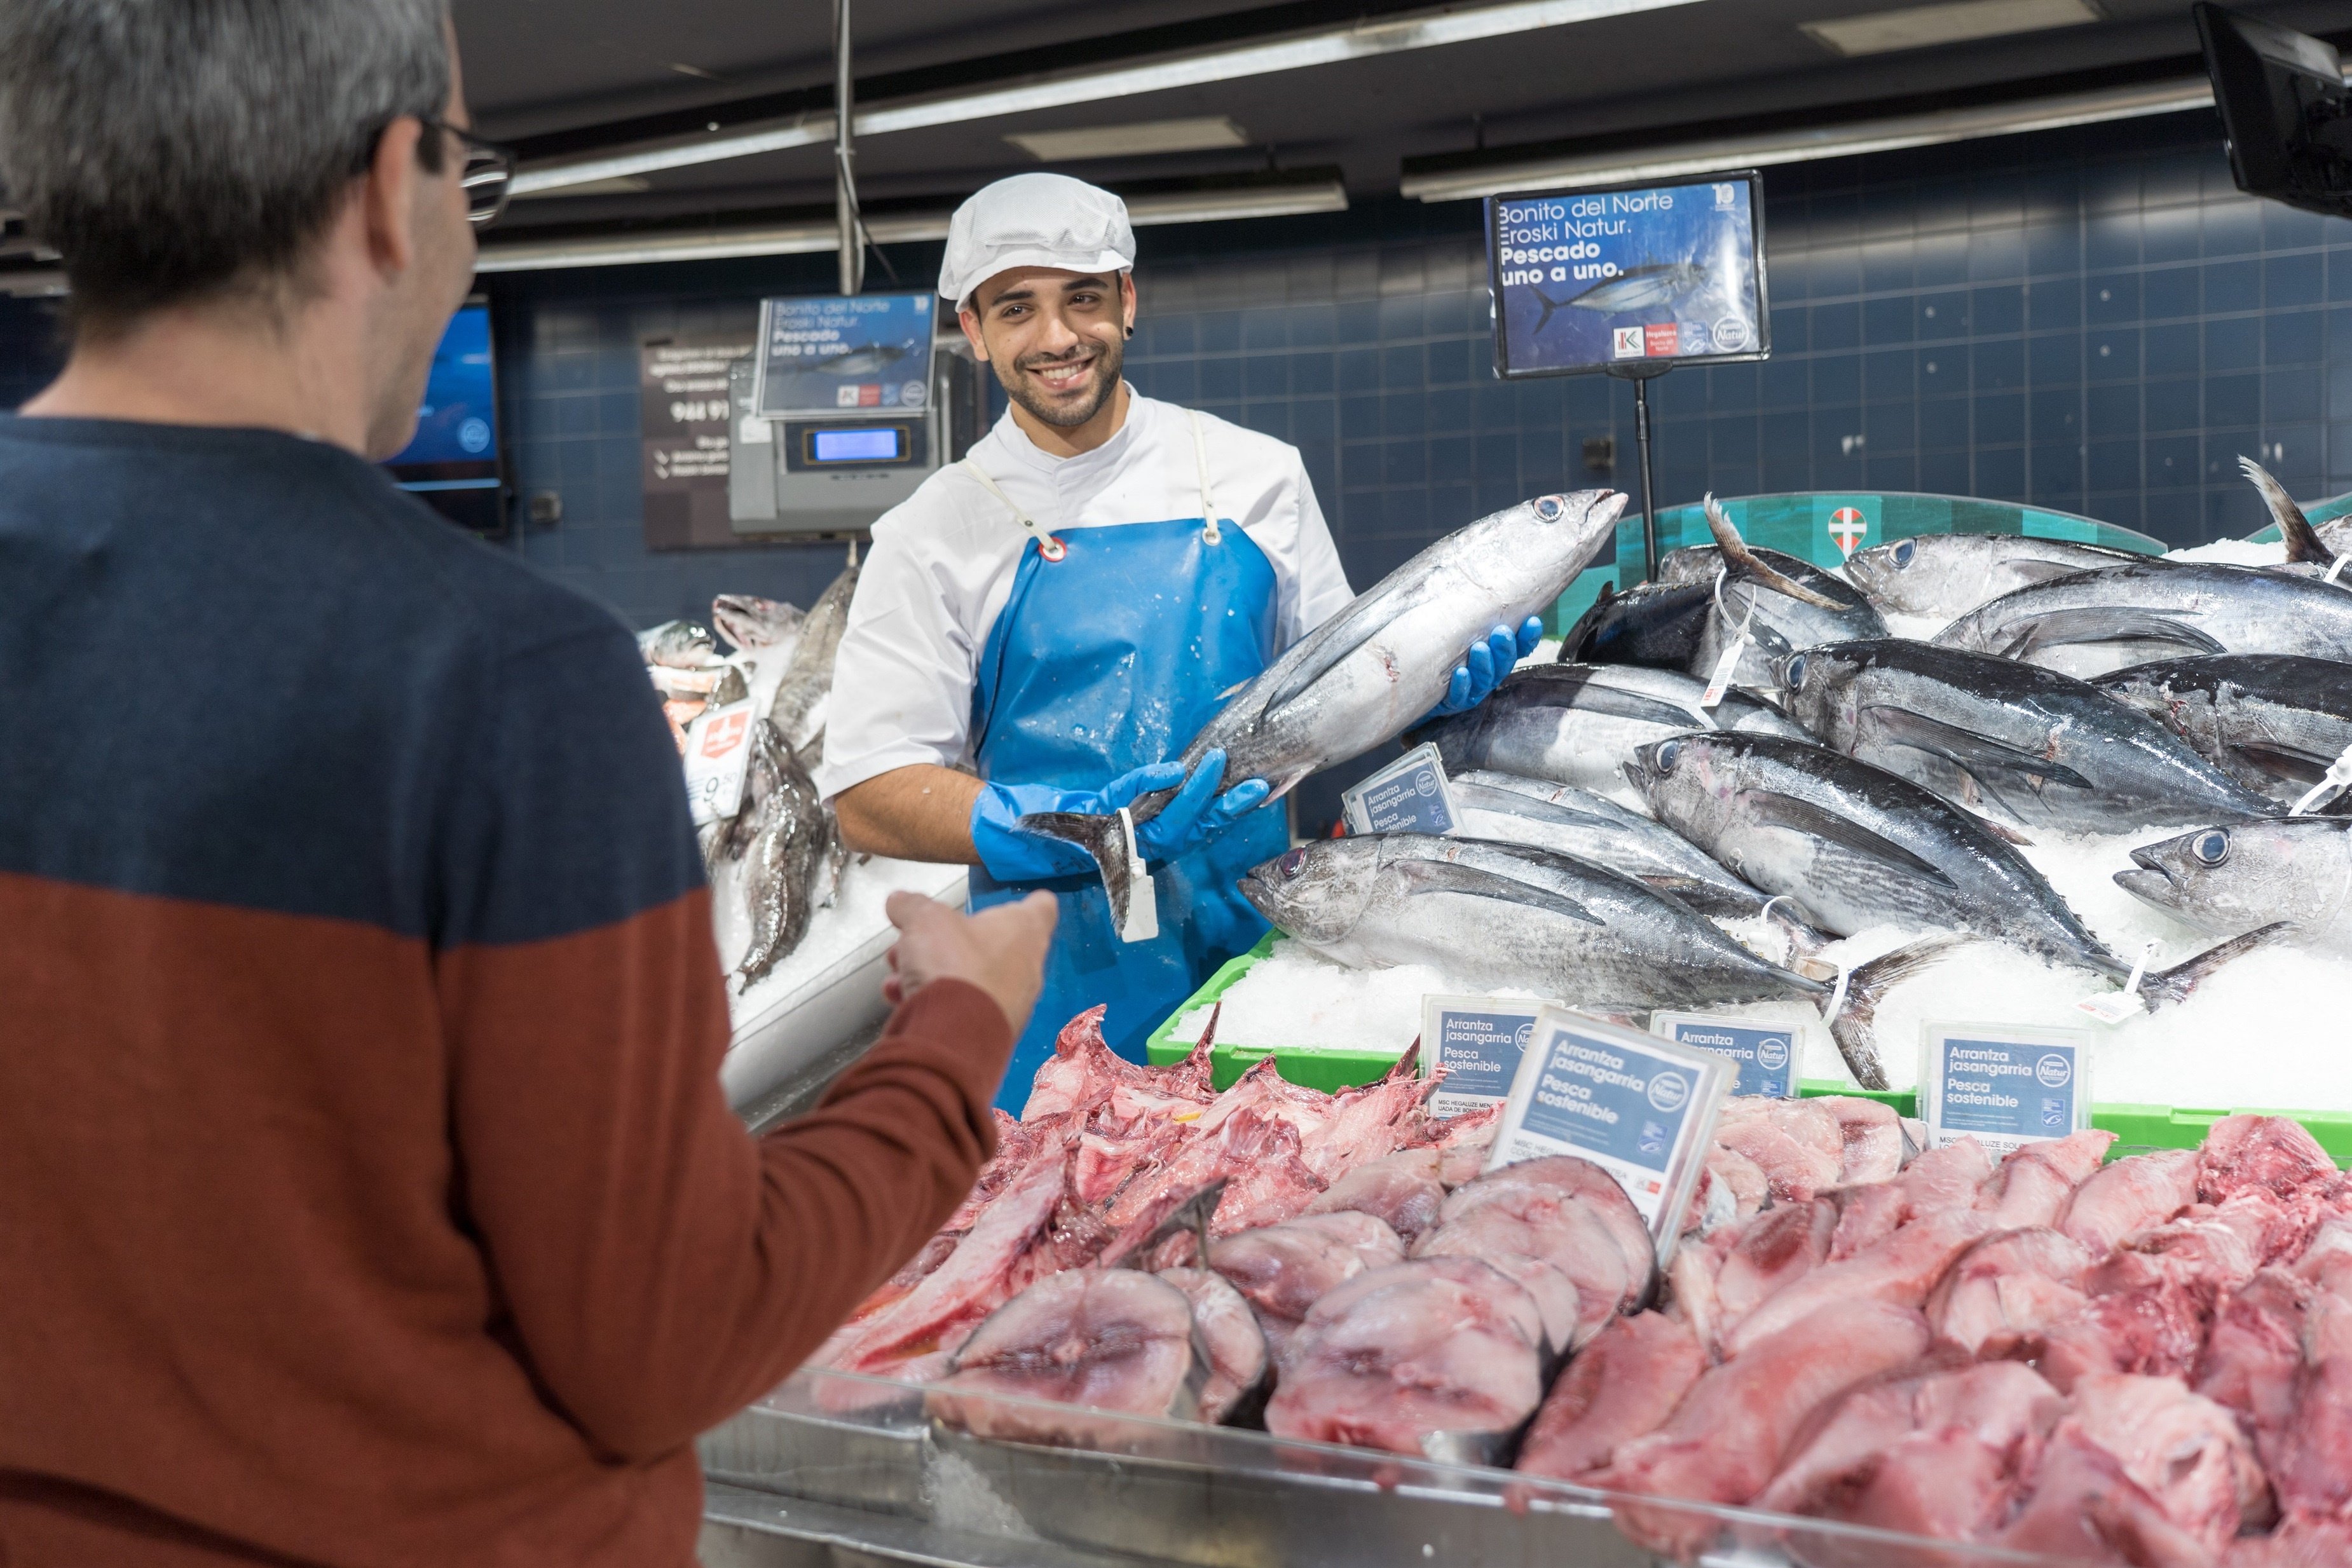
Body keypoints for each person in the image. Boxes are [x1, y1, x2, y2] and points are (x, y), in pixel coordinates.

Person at [0, 5, 1055, 1565]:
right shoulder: (500, 678)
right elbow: (666, 1342)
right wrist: (953, 1033)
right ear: (383, 188)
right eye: (465, 175)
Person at [822, 172, 1541, 1103]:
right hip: (1049, 976)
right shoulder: (929, 533)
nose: (1055, 339)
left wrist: (1433, 702)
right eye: (1016, 310)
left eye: (1083, 297)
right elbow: (869, 794)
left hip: (1264, 957)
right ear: (973, 331)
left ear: (1127, 299)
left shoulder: (1255, 475)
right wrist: (1075, 831)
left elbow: (1342, 694)